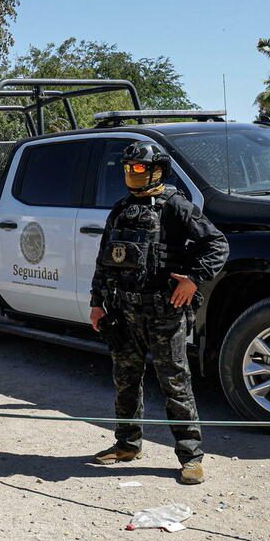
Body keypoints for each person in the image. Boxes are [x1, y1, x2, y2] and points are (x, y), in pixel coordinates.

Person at [88, 141, 228, 485]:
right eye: (128, 169)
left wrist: (193, 280)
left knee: (175, 384)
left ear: (157, 170)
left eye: (138, 169)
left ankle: (191, 457)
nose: (132, 175)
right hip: (123, 312)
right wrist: (97, 302)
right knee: (125, 381)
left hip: (164, 312)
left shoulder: (175, 206)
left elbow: (217, 244)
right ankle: (127, 444)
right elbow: (106, 259)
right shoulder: (121, 210)